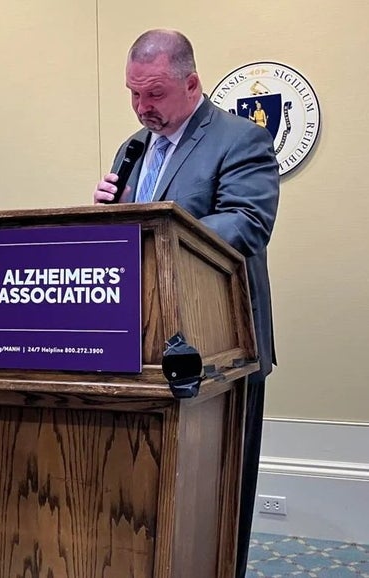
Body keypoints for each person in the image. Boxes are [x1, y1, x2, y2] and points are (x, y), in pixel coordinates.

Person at [93, 29, 279, 578]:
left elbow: (248, 223)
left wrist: (157, 228)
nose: (142, 108)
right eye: (133, 94)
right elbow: (127, 241)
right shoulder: (133, 147)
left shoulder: (239, 138)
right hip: (145, 345)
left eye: (154, 94)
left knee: (219, 496)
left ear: (191, 83)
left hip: (221, 344)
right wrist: (109, 216)